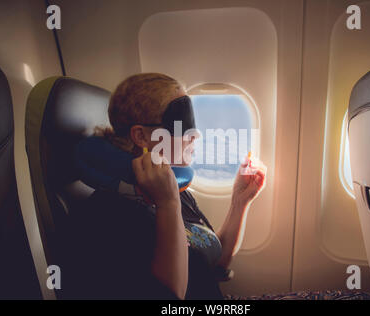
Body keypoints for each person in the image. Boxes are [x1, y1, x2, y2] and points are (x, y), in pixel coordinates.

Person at [67, 73, 266, 300]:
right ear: (141, 136)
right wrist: (167, 204)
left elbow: (216, 259)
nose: (195, 134)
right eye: (182, 124)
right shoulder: (106, 214)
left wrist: (240, 202)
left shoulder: (177, 190)